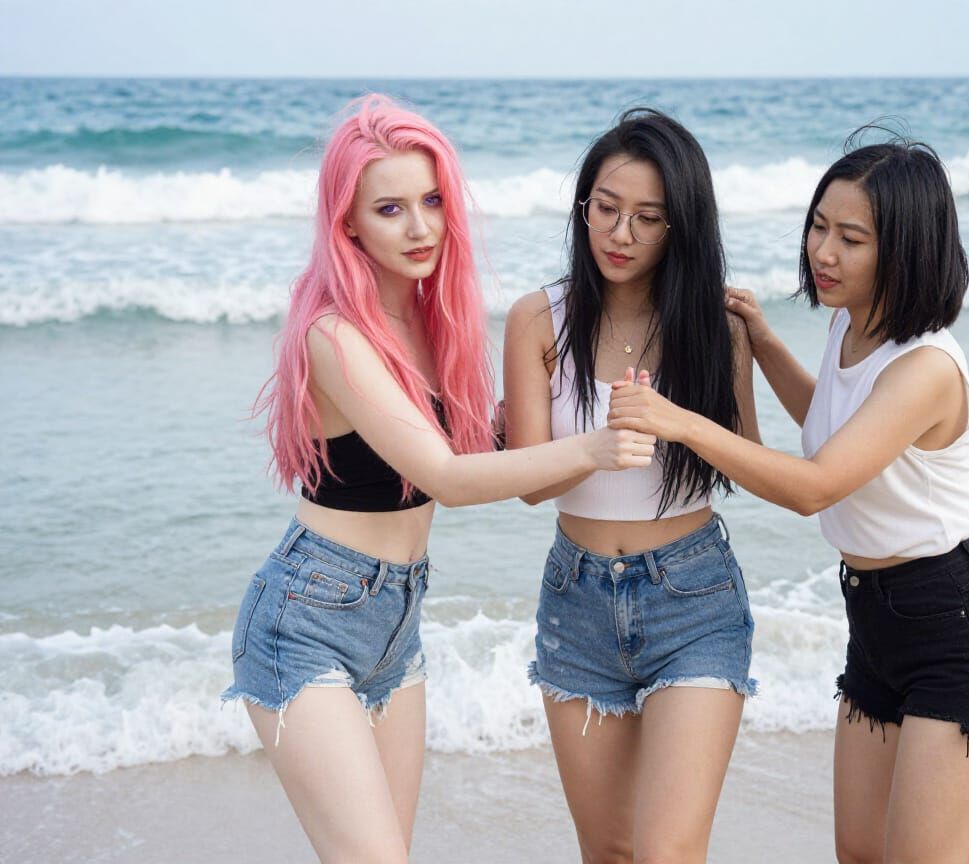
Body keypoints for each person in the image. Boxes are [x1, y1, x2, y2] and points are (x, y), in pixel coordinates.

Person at [220, 95, 655, 864]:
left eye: (431, 201)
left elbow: (451, 453)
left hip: (396, 620)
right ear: (348, 221)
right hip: (308, 615)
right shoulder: (335, 333)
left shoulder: (431, 320)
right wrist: (596, 447)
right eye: (390, 208)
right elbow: (448, 479)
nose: (420, 226)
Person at [608, 134, 969, 863]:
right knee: (859, 853)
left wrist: (675, 420)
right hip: (876, 622)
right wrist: (761, 342)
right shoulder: (852, 324)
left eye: (852, 238)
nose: (824, 253)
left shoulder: (926, 367)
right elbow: (829, 430)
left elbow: (814, 487)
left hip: (959, 628)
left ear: (905, 248)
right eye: (819, 226)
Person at [502, 108, 760, 864]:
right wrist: (598, 446)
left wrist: (678, 421)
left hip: (694, 599)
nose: (620, 234)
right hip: (575, 601)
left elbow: (747, 459)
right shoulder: (537, 319)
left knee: (667, 852)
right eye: (605, 210)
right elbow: (524, 478)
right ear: (583, 207)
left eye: (647, 218)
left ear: (680, 225)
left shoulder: (717, 325)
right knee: (608, 852)